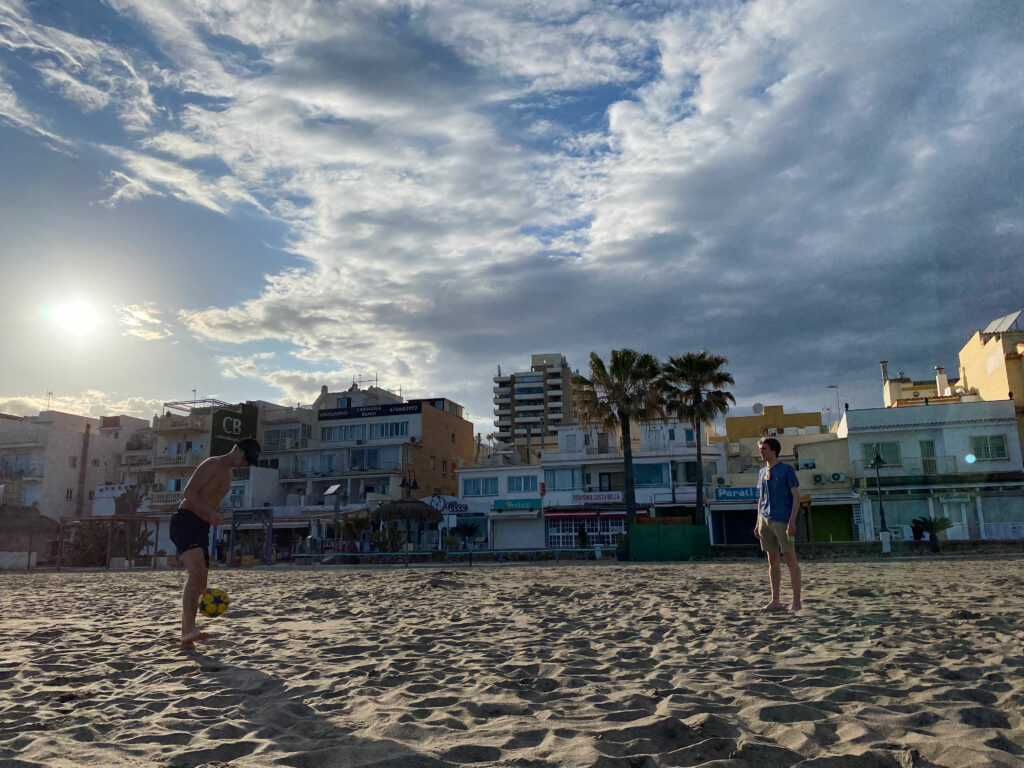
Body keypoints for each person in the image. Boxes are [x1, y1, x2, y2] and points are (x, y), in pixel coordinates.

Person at [170, 438, 261, 649]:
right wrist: (209, 512)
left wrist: (212, 515)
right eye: (245, 458)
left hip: (201, 525)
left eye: (249, 462)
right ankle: (189, 630)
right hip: (186, 520)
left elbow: (210, 500)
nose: (245, 464)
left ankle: (186, 638)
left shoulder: (229, 474)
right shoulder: (212, 464)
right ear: (236, 449)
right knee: (197, 573)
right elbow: (189, 493)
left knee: (201, 581)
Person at [752, 436, 802, 613]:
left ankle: (796, 603)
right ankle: (776, 601)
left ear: (774, 450)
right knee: (772, 560)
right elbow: (761, 498)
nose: (761, 451)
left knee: (790, 560)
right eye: (760, 448)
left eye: (764, 448)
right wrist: (758, 522)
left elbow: (796, 497)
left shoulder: (786, 470)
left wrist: (792, 520)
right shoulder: (761, 472)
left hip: (782, 519)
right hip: (765, 519)